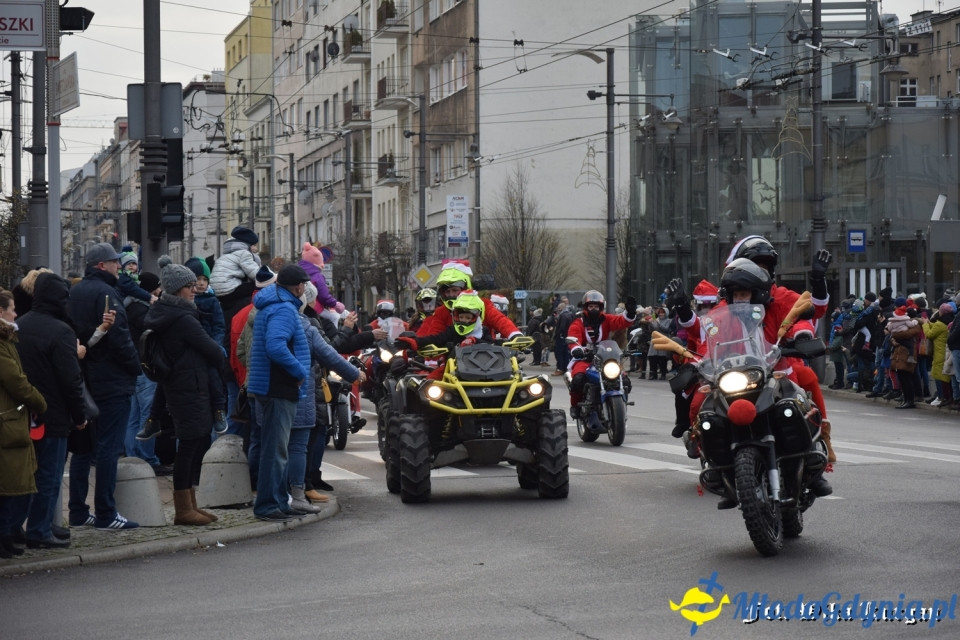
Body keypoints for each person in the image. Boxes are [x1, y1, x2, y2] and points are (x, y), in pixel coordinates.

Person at [685, 259, 833, 503]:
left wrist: (802, 335)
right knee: (708, 411)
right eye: (736, 294)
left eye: (745, 293)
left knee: (794, 403)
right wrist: (695, 362)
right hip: (734, 378)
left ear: (759, 291)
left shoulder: (776, 306)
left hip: (775, 372)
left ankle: (810, 459)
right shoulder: (721, 315)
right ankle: (721, 469)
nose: (740, 298)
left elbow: (797, 319)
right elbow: (707, 342)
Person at [66, 242, 142, 531]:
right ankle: (107, 513)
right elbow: (120, 339)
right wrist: (136, 368)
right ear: (101, 265)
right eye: (113, 263)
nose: (118, 267)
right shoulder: (108, 293)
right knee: (109, 447)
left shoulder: (74, 292)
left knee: (83, 448)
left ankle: (77, 511)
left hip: (84, 379)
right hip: (112, 380)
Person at [144, 263, 226, 525]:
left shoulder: (167, 312)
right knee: (189, 447)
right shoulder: (182, 319)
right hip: (188, 387)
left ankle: (190, 504)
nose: (195, 290)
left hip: (183, 385)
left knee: (193, 444)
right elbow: (212, 349)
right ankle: (183, 510)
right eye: (191, 286)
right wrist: (216, 353)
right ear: (179, 290)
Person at [13, 274, 88, 549]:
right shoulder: (61, 331)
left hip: (23, 413)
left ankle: (17, 528)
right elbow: (71, 380)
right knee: (49, 475)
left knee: (24, 476)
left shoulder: (20, 325)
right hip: (53, 413)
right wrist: (79, 416)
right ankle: (40, 529)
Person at [288, 284, 365, 512]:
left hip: (288, 387)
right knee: (304, 440)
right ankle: (301, 489)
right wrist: (353, 373)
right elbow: (329, 350)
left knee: (295, 440)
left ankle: (297, 487)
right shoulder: (308, 323)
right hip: (306, 385)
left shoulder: (268, 316)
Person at [246, 264, 314, 522]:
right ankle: (268, 505)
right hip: (279, 386)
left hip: (271, 385)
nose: (305, 289)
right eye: (304, 285)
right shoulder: (285, 309)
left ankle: (277, 502)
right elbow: (276, 346)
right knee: (276, 451)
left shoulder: (272, 304)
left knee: (274, 449)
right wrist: (299, 372)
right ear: (297, 287)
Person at [0, 289, 49, 558]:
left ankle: (7, 535)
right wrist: (39, 402)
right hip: (7, 421)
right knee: (10, 484)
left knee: (12, 483)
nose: (16, 313)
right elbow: (16, 380)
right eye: (12, 308)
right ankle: (4, 535)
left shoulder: (7, 338)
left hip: (10, 418)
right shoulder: (2, 342)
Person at [565, 291, 637, 418]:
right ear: (585, 307)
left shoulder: (606, 319)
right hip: (585, 358)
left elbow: (620, 322)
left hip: (604, 357)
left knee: (624, 379)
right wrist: (576, 348)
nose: (593, 309)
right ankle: (575, 406)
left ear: (601, 307)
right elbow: (573, 337)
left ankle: (621, 403)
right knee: (578, 379)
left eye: (596, 306)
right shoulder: (578, 322)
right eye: (591, 306)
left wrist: (630, 313)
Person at [122, 271, 164, 470]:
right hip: (146, 367)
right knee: (148, 414)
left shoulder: (129, 306)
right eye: (157, 286)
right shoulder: (143, 310)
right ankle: (148, 459)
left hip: (133, 366)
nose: (159, 290)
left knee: (133, 415)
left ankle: (132, 455)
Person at [416, 261, 519, 340]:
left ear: (465, 287)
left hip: (487, 358)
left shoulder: (483, 304)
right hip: (452, 359)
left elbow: (500, 320)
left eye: (455, 290)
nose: (451, 295)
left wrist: (514, 335)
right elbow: (434, 335)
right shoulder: (441, 312)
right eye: (447, 292)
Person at [185, 257, 228, 434]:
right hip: (190, 350)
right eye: (197, 280)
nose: (201, 284)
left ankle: (219, 410)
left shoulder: (212, 301)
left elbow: (219, 326)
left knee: (214, 380)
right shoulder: (186, 301)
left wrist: (215, 345)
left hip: (208, 347)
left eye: (204, 279)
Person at [209, 226, 262, 328]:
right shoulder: (244, 253)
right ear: (247, 245)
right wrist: (273, 279)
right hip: (230, 289)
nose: (256, 249)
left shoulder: (227, 254)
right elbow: (257, 275)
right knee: (257, 285)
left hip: (219, 292)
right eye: (254, 245)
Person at [299, 242, 344, 323]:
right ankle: (334, 334)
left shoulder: (297, 271)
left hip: (300, 307)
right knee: (335, 316)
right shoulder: (317, 276)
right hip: (315, 308)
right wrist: (335, 304)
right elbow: (324, 296)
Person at [887, 305, 923, 409]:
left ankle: (910, 400)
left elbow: (907, 335)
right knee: (902, 377)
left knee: (907, 378)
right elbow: (891, 334)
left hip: (908, 353)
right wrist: (893, 339)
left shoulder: (914, 325)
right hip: (899, 352)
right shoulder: (903, 323)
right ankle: (906, 399)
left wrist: (895, 335)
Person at [921, 302, 954, 406]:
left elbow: (929, 334)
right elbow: (935, 327)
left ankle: (942, 397)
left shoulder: (940, 324)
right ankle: (946, 397)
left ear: (942, 312)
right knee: (946, 377)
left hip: (939, 353)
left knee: (939, 376)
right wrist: (929, 323)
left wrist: (925, 324)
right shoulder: (949, 321)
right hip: (946, 351)